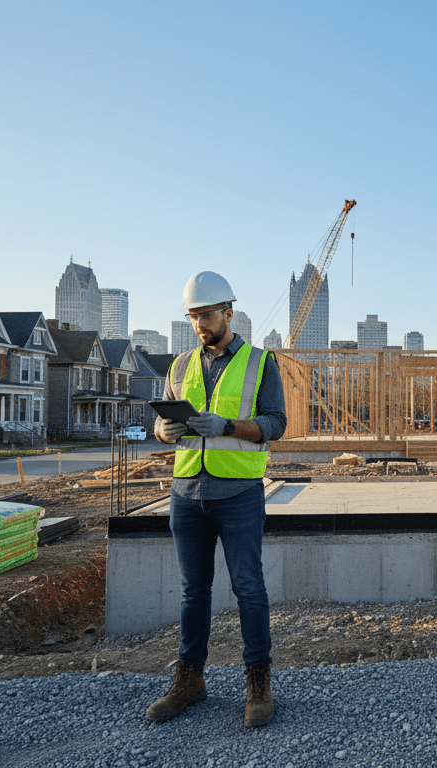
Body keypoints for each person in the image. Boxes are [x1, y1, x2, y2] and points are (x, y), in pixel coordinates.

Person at [145, 271, 286, 728]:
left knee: (249, 588)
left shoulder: (260, 362)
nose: (200, 324)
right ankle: (190, 680)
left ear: (229, 312)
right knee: (193, 591)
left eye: (207, 315)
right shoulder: (179, 365)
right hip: (186, 493)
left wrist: (227, 426)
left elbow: (276, 424)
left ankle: (258, 682)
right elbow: (162, 423)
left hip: (238, 492)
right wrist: (163, 431)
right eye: (193, 317)